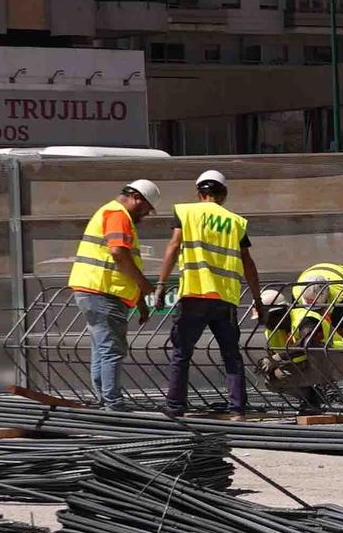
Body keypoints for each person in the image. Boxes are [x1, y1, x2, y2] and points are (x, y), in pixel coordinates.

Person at [155, 170, 263, 417]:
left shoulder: (186, 212)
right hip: (224, 298)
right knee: (231, 356)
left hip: (193, 293)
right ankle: (237, 410)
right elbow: (248, 262)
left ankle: (175, 409)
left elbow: (174, 246)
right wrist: (258, 299)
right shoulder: (236, 222)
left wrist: (161, 284)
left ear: (198, 193)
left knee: (181, 353)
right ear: (223, 195)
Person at [68, 179, 161, 410]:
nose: (146, 214)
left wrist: (140, 302)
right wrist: (146, 285)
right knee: (111, 349)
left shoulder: (112, 213)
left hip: (95, 290)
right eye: (146, 209)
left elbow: (121, 261)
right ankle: (113, 403)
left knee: (102, 348)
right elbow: (118, 254)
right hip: (103, 292)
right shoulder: (118, 214)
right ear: (137, 198)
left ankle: (105, 399)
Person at [258, 265, 343, 414]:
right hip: (315, 282)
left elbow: (312, 340)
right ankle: (313, 396)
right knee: (277, 377)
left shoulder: (341, 297)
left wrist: (277, 358)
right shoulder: (298, 291)